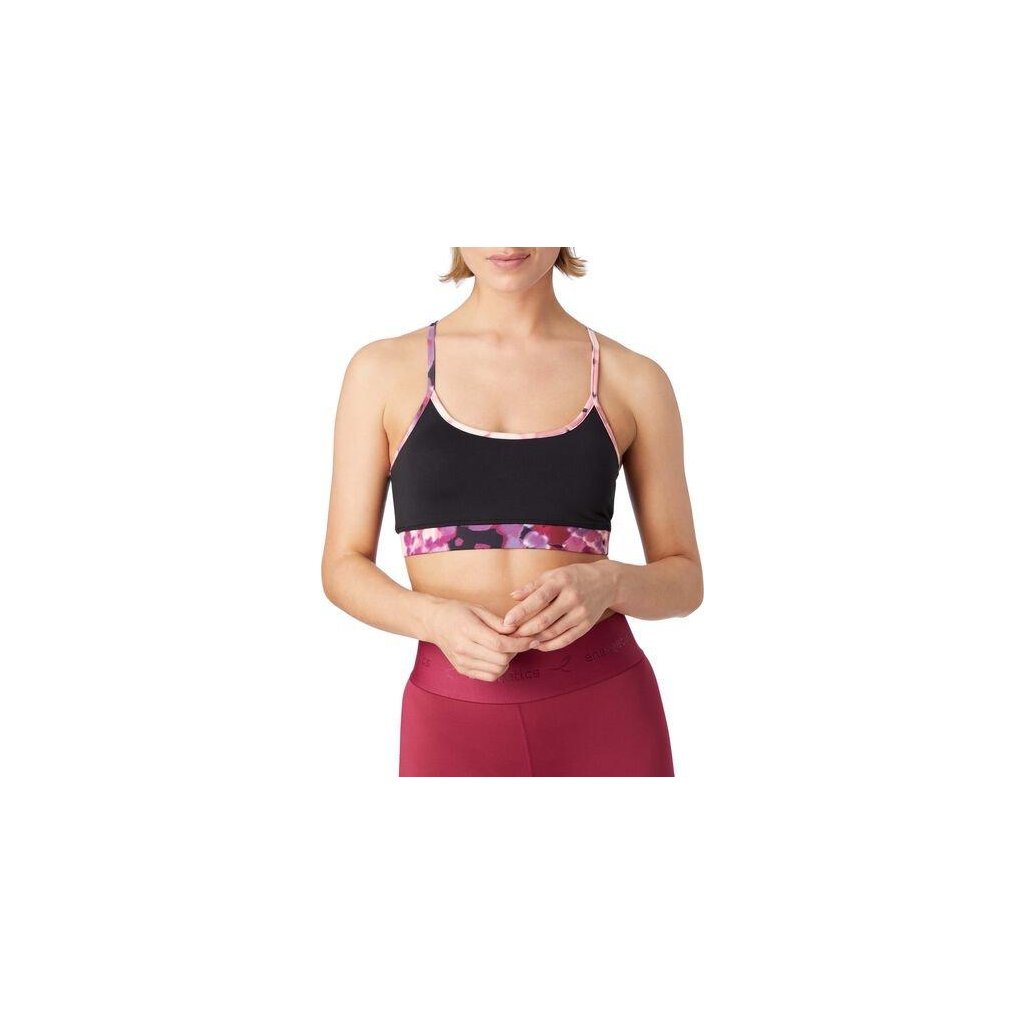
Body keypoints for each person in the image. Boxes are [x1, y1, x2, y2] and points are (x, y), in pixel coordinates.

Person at [322, 247, 703, 776]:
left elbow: (684, 580)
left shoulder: (633, 378)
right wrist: (431, 619)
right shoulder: (382, 371)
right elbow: (342, 565)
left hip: (606, 710)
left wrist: (611, 583)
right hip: (452, 717)